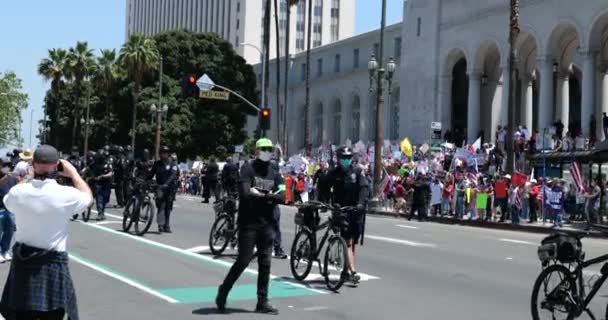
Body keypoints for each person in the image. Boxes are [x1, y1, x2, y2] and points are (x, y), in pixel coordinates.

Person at [0, 145, 92, 320]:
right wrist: (73, 173)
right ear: (57, 165)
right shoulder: (67, 194)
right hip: (52, 265)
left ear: (33, 165)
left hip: (23, 263)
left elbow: (8, 202)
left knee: (20, 314)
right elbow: (88, 198)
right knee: (52, 315)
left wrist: (29, 177)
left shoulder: (18, 192)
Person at [216, 138, 284, 314]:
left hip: (267, 223)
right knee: (244, 260)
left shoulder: (274, 172)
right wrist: (268, 196)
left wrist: (262, 195)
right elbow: (246, 194)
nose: (266, 151)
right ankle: (224, 290)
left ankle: (262, 301)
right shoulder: (248, 168)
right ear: (256, 150)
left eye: (269, 149)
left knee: (265, 263)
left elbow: (283, 195)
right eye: (263, 148)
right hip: (249, 223)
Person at [328, 146, 369, 285]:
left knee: (353, 244)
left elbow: (364, 188)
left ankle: (345, 271)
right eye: (343, 158)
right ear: (338, 159)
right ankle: (353, 272)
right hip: (341, 211)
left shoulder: (357, 172)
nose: (346, 160)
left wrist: (360, 203)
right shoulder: (334, 173)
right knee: (348, 242)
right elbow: (324, 186)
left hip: (356, 211)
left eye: (348, 158)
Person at [148, 146, 179, 233]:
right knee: (160, 206)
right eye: (161, 152)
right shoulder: (157, 163)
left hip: (169, 188)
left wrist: (166, 184)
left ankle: (167, 225)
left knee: (168, 207)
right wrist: (146, 180)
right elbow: (151, 174)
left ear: (168, 154)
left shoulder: (172, 164)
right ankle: (160, 225)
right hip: (159, 187)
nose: (162, 154)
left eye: (164, 153)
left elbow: (173, 175)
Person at [0, 159, 17, 262]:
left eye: (8, 165)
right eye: (4, 165)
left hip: (10, 209)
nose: (7, 167)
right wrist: (5, 177)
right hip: (0, 209)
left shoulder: (12, 178)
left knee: (9, 232)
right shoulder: (5, 177)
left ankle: (5, 251)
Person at [90, 150, 113, 221]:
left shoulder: (107, 164)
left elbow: (111, 173)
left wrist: (103, 176)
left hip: (106, 183)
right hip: (98, 183)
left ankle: (102, 212)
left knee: (105, 199)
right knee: (99, 199)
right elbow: (89, 169)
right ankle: (100, 213)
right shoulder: (95, 163)